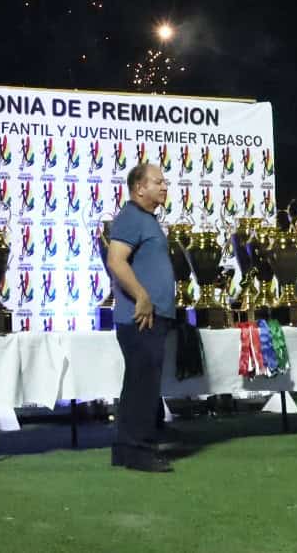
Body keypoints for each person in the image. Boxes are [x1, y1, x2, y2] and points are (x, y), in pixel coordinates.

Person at [104, 160, 176, 473]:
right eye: (158, 182)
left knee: (137, 385)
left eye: (164, 182)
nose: (164, 186)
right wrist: (142, 296)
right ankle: (140, 452)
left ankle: (125, 450)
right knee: (144, 387)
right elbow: (115, 261)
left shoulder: (145, 219)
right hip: (141, 317)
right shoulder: (132, 217)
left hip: (149, 317)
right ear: (139, 188)